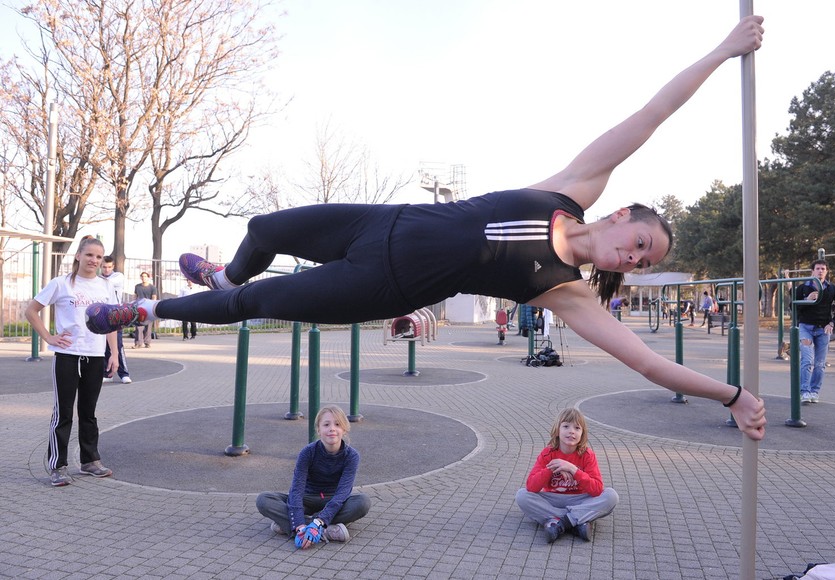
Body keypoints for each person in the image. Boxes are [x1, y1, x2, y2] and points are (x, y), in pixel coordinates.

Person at [86, 16, 767, 441]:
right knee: (263, 228)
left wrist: (732, 393)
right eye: (642, 243)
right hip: (377, 222)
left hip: (379, 281)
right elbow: (652, 114)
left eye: (643, 263)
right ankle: (222, 270)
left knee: (255, 304)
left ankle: (143, 309)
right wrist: (720, 51)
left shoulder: (568, 293)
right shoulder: (571, 189)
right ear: (623, 216)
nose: (636, 257)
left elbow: (647, 362)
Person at [24, 236, 119, 486]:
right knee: (63, 413)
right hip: (68, 356)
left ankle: (90, 461)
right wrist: (49, 338)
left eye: (99, 257)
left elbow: (111, 323)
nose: (94, 260)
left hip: (96, 356)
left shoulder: (106, 286)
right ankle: (58, 466)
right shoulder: (61, 284)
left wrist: (115, 354)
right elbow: (31, 310)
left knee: (89, 412)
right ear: (78, 255)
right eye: (89, 255)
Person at [255, 406, 371, 548]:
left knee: (362, 502)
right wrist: (299, 524)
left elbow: (342, 494)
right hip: (307, 499)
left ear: (344, 429)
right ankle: (323, 530)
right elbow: (296, 490)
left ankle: (293, 525)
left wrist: (319, 521)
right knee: (264, 500)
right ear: (318, 430)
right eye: (326, 424)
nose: (332, 429)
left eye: (337, 424)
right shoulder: (307, 452)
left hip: (333, 501)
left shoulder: (351, 456)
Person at [515, 408, 618, 543]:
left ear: (582, 434)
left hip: (579, 499)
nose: (571, 431)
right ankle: (577, 522)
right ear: (557, 430)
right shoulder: (548, 453)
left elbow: (597, 489)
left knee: (611, 496)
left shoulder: (587, 455)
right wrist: (552, 468)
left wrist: (573, 469)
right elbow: (531, 486)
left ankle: (558, 523)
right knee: (522, 496)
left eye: (577, 428)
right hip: (553, 500)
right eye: (566, 426)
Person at [795, 260, 835, 404]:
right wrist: (806, 300)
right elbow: (793, 307)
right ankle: (804, 392)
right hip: (806, 328)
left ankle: (814, 391)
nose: (820, 271)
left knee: (819, 363)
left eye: (823, 269)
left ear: (826, 271)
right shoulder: (803, 287)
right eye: (817, 268)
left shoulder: (831, 289)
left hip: (823, 329)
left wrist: (833, 323)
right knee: (807, 360)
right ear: (812, 271)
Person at [100, 256, 132, 383]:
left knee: (117, 345)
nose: (107, 270)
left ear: (113, 267)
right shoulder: (98, 279)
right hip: (102, 314)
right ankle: (107, 373)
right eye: (104, 267)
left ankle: (124, 373)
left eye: (109, 267)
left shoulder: (118, 276)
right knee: (103, 345)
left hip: (115, 314)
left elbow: (106, 283)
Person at [133, 272, 157, 348]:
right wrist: (133, 305)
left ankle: (147, 342)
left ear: (148, 278)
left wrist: (152, 306)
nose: (143, 278)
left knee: (148, 327)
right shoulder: (137, 286)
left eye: (145, 276)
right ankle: (138, 343)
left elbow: (154, 297)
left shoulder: (152, 288)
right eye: (142, 276)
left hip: (148, 308)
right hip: (139, 308)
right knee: (138, 327)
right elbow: (135, 296)